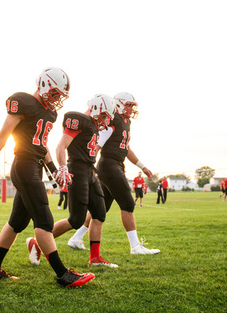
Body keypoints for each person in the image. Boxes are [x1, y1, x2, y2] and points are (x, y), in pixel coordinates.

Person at [0, 67, 95, 288]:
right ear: (43, 85)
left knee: (17, 222)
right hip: (24, 165)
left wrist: (55, 171)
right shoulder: (23, 101)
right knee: (44, 221)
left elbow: (42, 146)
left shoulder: (49, 113)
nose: (56, 100)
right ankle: (63, 274)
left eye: (59, 96)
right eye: (54, 94)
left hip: (34, 166)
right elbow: (4, 133)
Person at [29, 93, 118, 269]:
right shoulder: (78, 120)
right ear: (96, 108)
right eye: (104, 116)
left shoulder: (92, 124)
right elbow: (61, 146)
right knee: (76, 220)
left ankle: (95, 258)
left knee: (99, 213)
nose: (105, 121)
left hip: (90, 171)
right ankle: (36, 241)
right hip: (77, 170)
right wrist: (62, 168)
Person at [68, 92, 159, 255]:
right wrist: (90, 163)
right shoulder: (113, 119)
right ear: (118, 104)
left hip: (115, 164)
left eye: (132, 106)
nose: (131, 109)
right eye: (128, 105)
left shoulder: (126, 121)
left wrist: (142, 166)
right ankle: (135, 247)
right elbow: (98, 144)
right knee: (128, 203)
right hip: (109, 165)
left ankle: (76, 238)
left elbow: (126, 148)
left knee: (101, 208)